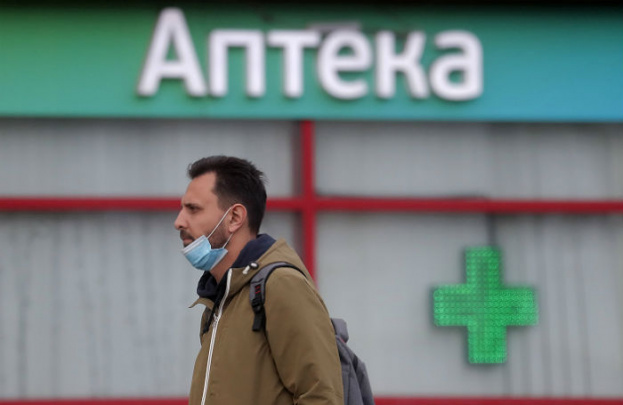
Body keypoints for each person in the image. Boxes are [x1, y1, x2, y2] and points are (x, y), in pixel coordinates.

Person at [174, 155, 343, 405]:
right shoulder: (221, 296)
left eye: (193, 209)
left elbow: (322, 397)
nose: (179, 221)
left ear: (234, 218)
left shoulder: (280, 285)